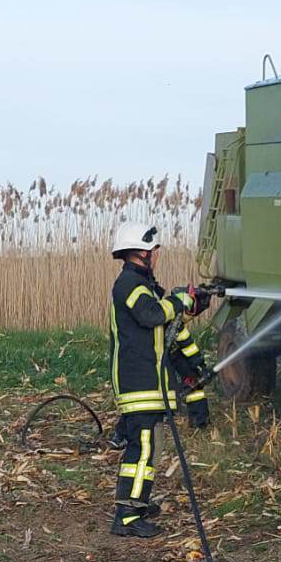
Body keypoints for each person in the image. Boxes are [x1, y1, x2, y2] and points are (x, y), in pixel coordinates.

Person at [107, 222, 209, 538]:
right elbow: (151, 315)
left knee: (149, 450)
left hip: (151, 384)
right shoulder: (128, 284)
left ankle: (137, 503)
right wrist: (179, 300)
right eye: (154, 251)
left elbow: (165, 323)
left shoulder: (145, 287)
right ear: (141, 252)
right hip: (139, 383)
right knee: (143, 450)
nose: (156, 256)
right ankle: (126, 515)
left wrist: (193, 303)